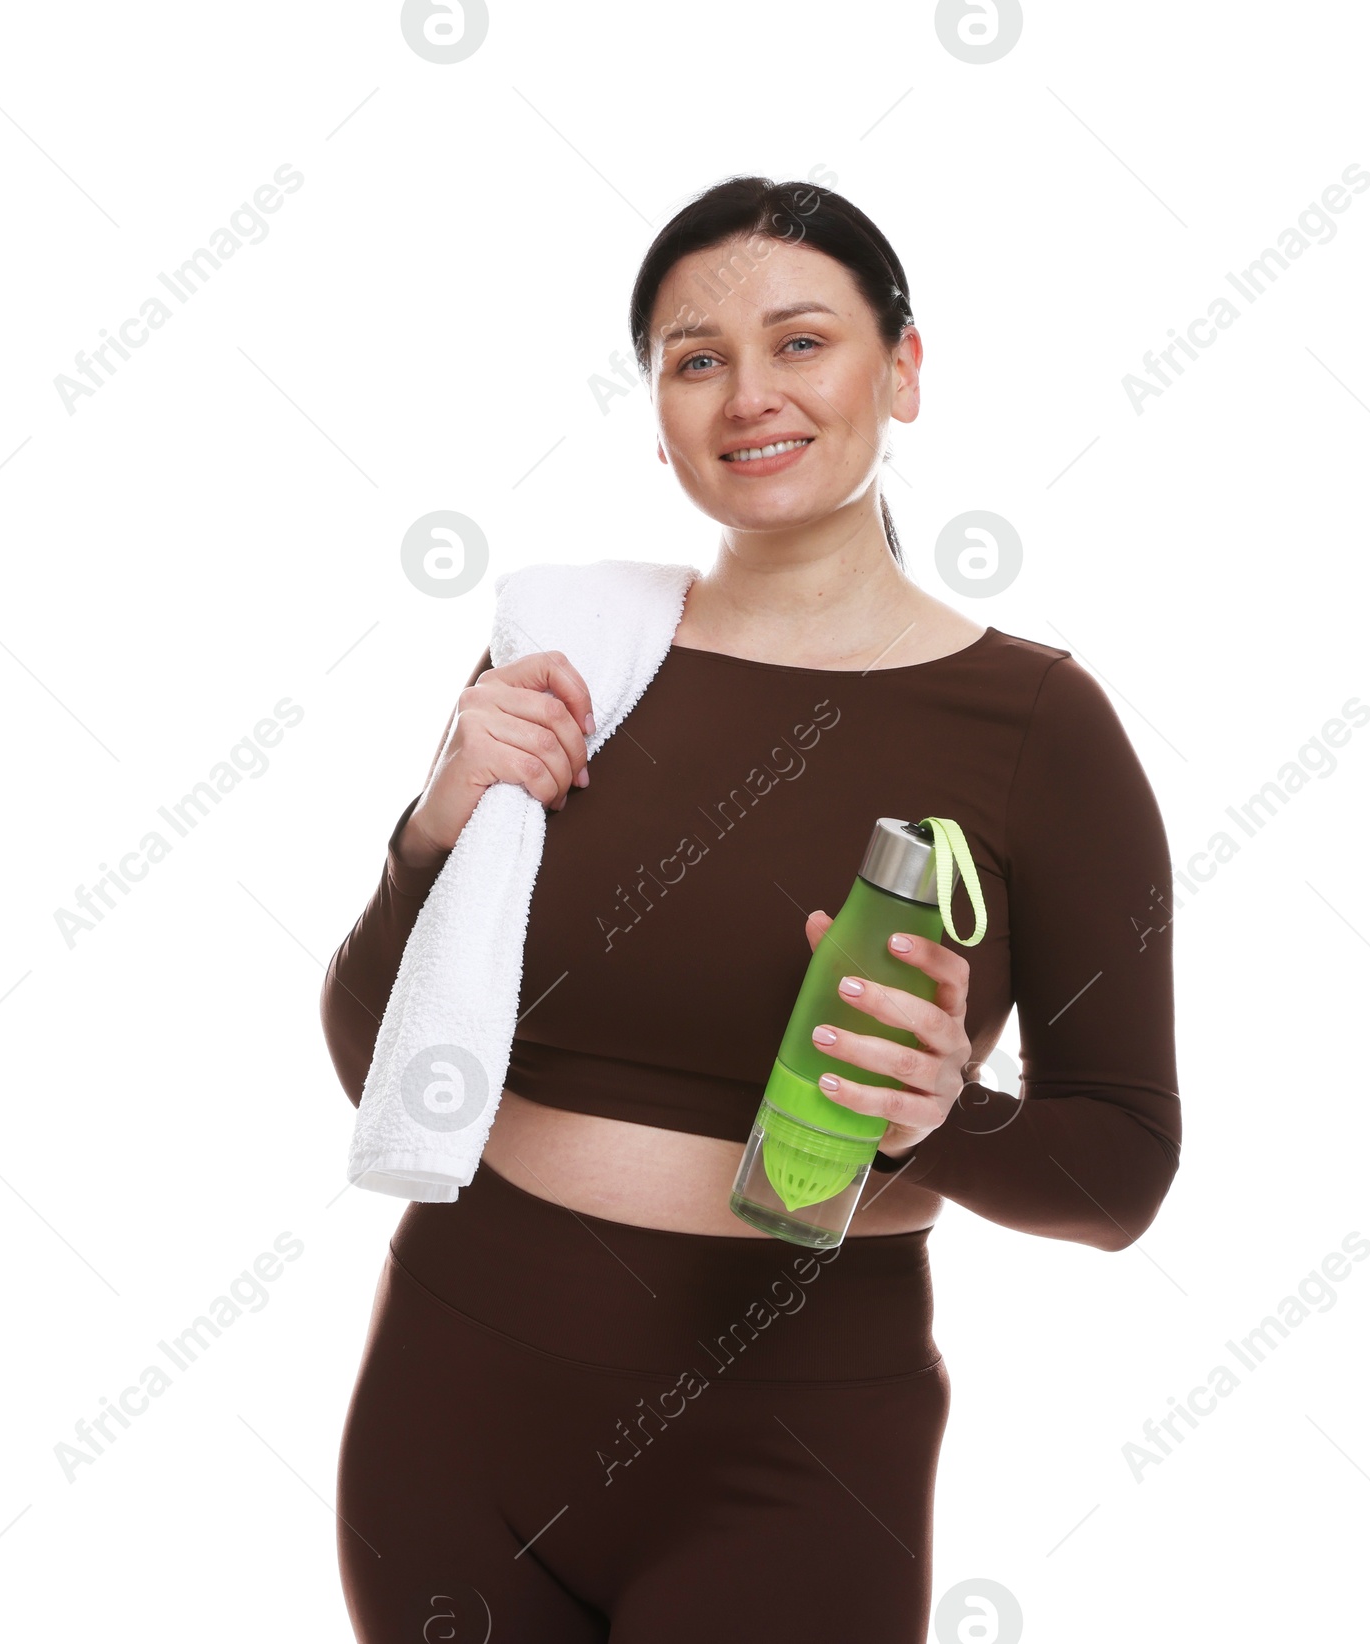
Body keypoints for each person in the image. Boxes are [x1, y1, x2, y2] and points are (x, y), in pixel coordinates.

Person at [322, 175, 1182, 1643]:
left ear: (902, 371)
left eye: (802, 342)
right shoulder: (572, 658)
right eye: (694, 357)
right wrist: (432, 831)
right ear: (657, 410)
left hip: (790, 1449)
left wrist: (940, 1115)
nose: (747, 395)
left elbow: (1123, 1173)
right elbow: (377, 1057)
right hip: (452, 1399)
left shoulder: (1040, 724)